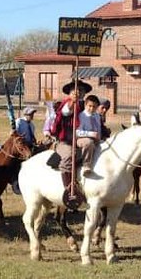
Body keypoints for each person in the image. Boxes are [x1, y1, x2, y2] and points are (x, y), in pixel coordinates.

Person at [49, 80, 92, 209]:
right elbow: (65, 113)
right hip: (66, 141)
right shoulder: (66, 104)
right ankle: (69, 189)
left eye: (81, 91)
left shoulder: (85, 105)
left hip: (81, 138)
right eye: (75, 91)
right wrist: (72, 103)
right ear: (70, 93)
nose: (78, 93)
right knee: (69, 155)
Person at [75, 95, 103, 177]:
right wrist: (91, 134)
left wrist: (99, 137)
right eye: (89, 106)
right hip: (81, 139)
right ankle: (86, 165)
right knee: (88, 143)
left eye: (94, 107)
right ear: (85, 105)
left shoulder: (97, 116)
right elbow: (77, 132)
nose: (91, 109)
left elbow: (99, 129)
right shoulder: (81, 116)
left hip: (96, 138)